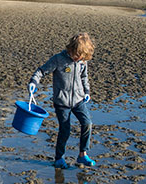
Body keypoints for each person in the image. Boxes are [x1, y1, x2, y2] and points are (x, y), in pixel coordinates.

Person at [28, 32, 96, 169]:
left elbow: (84, 77)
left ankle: (83, 154)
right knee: (65, 129)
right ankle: (59, 158)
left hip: (79, 100)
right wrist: (33, 82)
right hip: (61, 102)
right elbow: (41, 71)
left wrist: (87, 91)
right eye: (77, 56)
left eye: (82, 57)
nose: (79, 59)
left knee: (87, 123)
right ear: (71, 49)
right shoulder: (58, 59)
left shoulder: (82, 61)